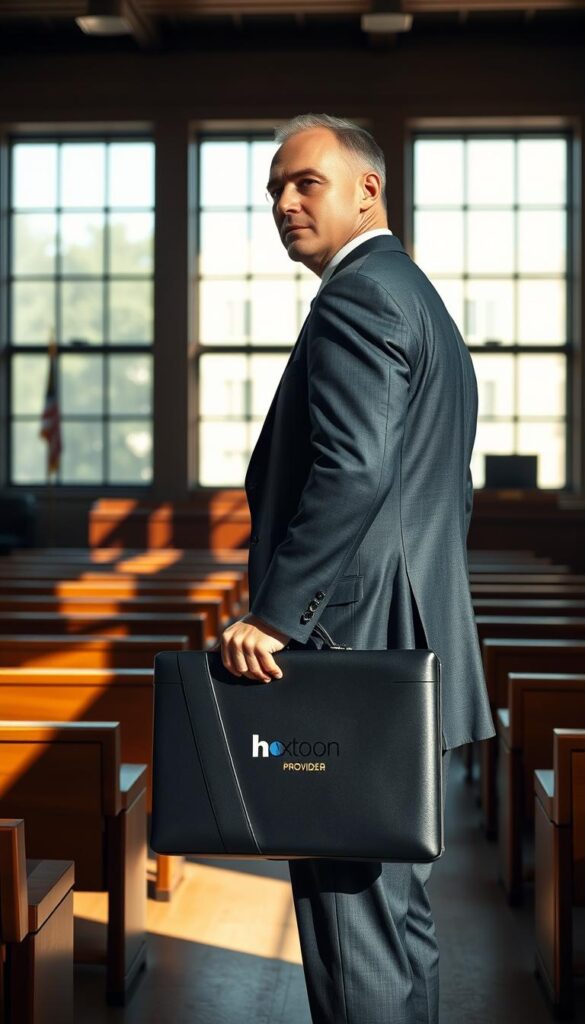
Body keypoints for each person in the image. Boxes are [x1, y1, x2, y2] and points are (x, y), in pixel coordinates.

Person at [217, 113, 495, 1024]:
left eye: (305, 182)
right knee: (394, 927)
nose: (284, 203)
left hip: (348, 659)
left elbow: (352, 470)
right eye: (272, 191)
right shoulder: (416, 297)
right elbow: (437, 490)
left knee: (350, 936)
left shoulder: (357, 296)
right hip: (400, 654)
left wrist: (276, 615)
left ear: (366, 189)